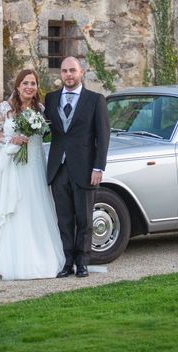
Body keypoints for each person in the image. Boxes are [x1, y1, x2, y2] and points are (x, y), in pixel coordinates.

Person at [0, 69, 65, 280]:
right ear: (18, 86)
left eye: (33, 83)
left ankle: (37, 257)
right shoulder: (4, 108)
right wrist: (11, 140)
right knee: (12, 208)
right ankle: (4, 258)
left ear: (37, 87)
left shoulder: (41, 109)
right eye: (25, 83)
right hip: (13, 164)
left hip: (35, 166)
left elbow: (49, 132)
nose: (29, 87)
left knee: (34, 207)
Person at [44, 57, 111, 278]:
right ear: (60, 74)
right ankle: (67, 262)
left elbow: (103, 137)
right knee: (64, 219)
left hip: (85, 169)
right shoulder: (51, 98)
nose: (68, 75)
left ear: (81, 71)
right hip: (58, 168)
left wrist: (98, 167)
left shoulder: (95, 100)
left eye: (72, 70)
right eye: (64, 71)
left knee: (84, 218)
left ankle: (82, 262)